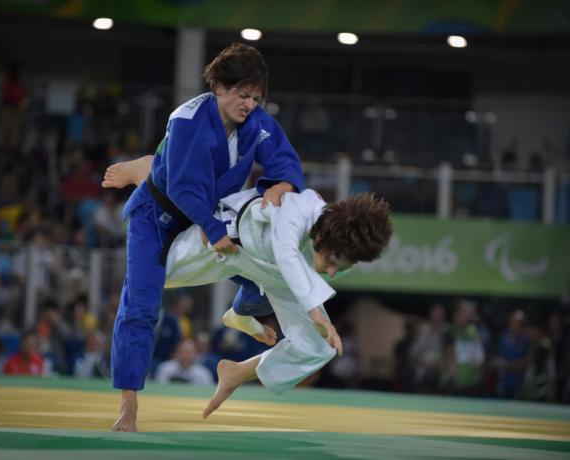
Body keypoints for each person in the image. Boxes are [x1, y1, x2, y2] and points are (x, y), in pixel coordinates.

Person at [109, 43, 304, 431]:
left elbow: (284, 160)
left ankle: (243, 311)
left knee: (267, 268)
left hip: (209, 212)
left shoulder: (258, 123)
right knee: (141, 305)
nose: (248, 104)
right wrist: (214, 231)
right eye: (240, 94)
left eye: (255, 97)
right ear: (218, 85)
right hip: (157, 216)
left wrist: (281, 185)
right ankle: (128, 406)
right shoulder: (187, 120)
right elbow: (183, 187)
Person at [104, 157, 392, 420]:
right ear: (324, 236)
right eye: (331, 261)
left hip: (270, 271)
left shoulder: (341, 252)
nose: (331, 272)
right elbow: (286, 253)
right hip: (229, 242)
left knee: (320, 347)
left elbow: (296, 270)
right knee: (155, 276)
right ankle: (150, 170)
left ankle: (238, 372)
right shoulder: (300, 208)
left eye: (340, 268)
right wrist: (315, 311)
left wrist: (314, 309)